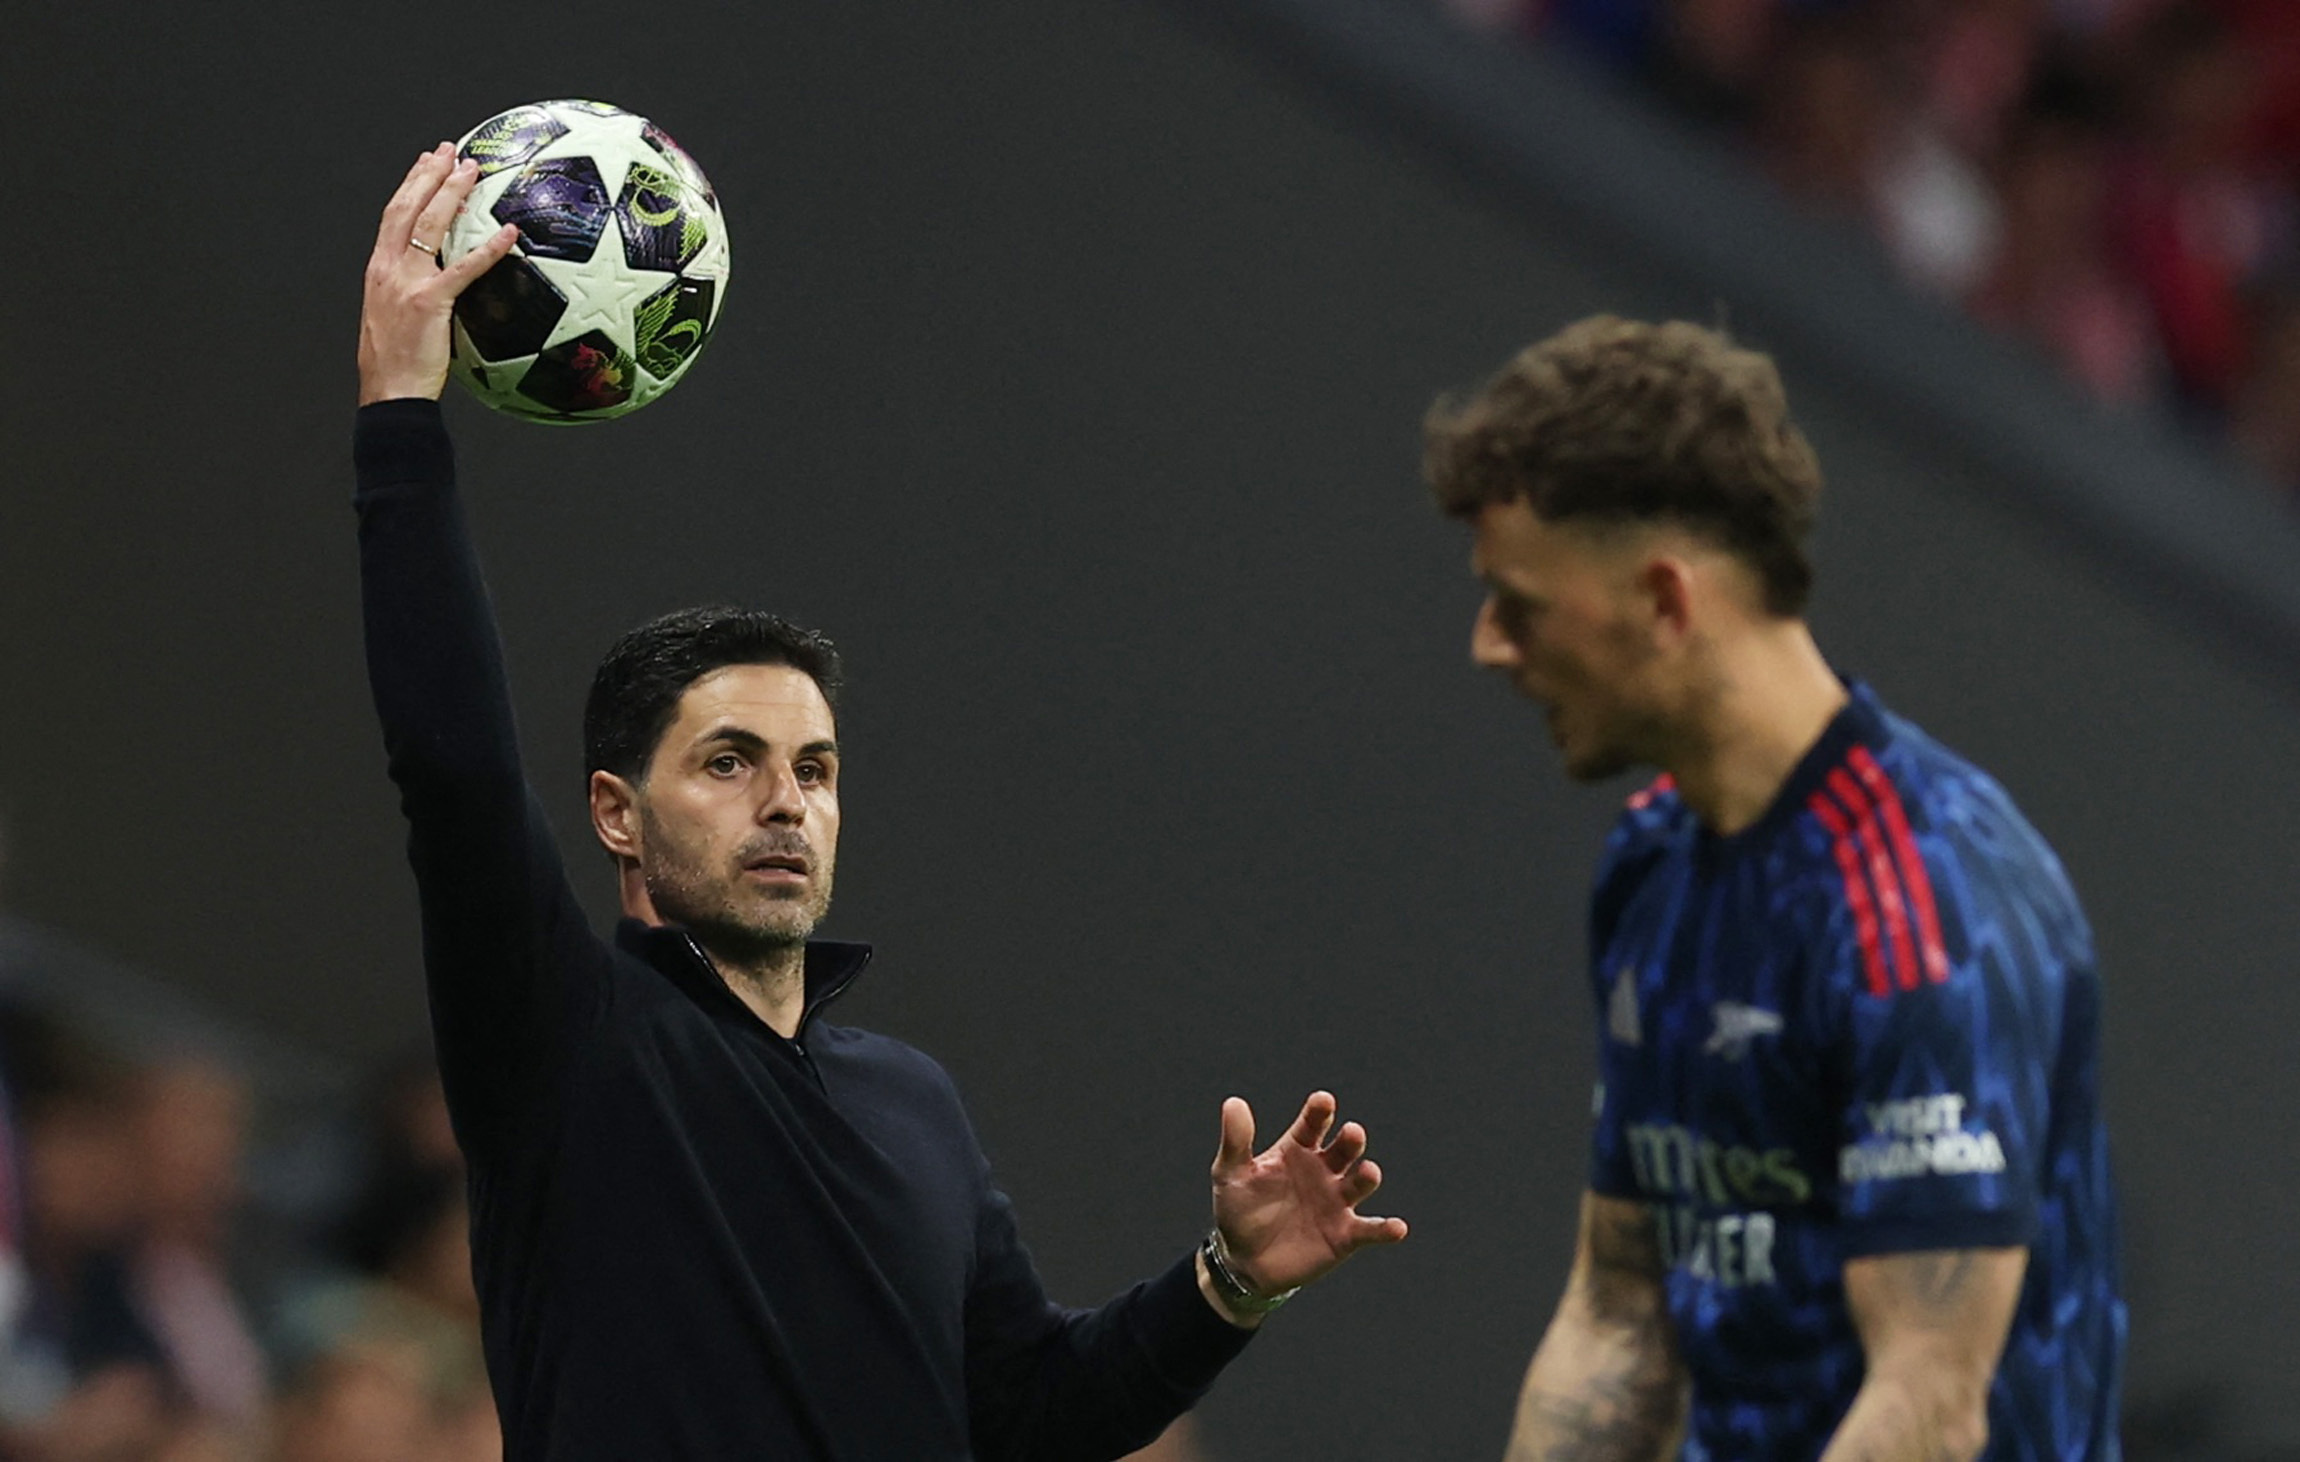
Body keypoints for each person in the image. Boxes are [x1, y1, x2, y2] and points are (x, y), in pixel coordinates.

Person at [351, 144, 1407, 1461]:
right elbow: (451, 766)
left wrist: (1232, 1282)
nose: (785, 802)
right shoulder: (567, 1035)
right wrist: (400, 411)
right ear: (617, 813)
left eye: (816, 769)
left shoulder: (912, 1102)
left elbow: (1029, 1414)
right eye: (729, 761)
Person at [1423, 316, 2122, 1460]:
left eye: (1520, 603)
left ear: (1662, 599)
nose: (1489, 647)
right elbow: (1618, 1319)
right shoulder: (1648, 864)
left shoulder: (1922, 907)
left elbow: (1928, 1404)